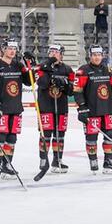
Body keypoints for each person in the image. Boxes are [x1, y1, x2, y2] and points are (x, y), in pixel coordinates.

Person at [73, 45, 112, 174]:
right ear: (90, 55)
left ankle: (108, 162)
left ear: (102, 56)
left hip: (107, 110)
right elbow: (77, 91)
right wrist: (82, 107)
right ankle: (93, 161)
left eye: (99, 55)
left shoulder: (108, 70)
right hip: (92, 111)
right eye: (94, 55)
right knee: (91, 137)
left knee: (110, 135)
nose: (97, 57)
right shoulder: (83, 70)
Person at [32, 43, 74, 174]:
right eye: (51, 52)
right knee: (46, 134)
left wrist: (65, 84)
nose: (53, 54)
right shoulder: (41, 67)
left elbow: (72, 91)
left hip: (61, 106)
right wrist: (50, 73)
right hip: (45, 106)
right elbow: (42, 83)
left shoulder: (67, 69)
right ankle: (43, 160)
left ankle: (58, 160)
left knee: (60, 135)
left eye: (56, 52)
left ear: (61, 54)